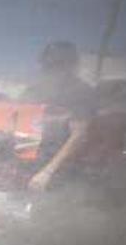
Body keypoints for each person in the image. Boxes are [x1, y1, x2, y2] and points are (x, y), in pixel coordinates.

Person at [22, 41, 97, 192]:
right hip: (29, 159)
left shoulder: (81, 91)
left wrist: (48, 172)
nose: (49, 68)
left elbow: (79, 135)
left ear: (70, 64)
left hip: (57, 169)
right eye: (47, 63)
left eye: (57, 63)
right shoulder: (35, 89)